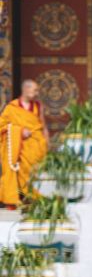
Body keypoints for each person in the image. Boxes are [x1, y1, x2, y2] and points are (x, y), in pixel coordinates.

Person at [0, 79, 47, 208]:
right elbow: (1, 126)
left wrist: (45, 143)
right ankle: (16, 200)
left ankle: (32, 200)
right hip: (18, 147)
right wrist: (19, 131)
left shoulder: (38, 106)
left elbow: (43, 126)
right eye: (35, 90)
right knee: (16, 172)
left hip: (35, 146)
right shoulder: (12, 107)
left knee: (33, 173)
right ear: (26, 89)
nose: (37, 93)